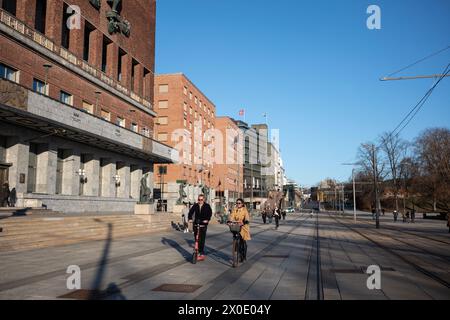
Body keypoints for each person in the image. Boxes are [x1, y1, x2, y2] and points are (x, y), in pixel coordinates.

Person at [188, 194, 212, 261]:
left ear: (203, 199)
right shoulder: (195, 205)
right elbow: (190, 212)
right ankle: (197, 250)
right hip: (196, 224)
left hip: (203, 224)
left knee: (202, 239)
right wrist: (190, 218)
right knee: (196, 238)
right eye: (199, 199)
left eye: (201, 199)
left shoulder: (207, 206)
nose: (200, 201)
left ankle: (201, 252)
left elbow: (210, 213)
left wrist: (207, 220)